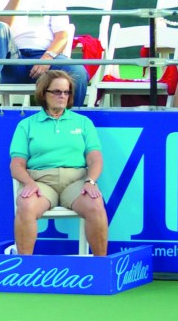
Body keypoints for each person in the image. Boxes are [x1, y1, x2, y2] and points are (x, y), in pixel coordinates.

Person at [9, 70, 108, 256]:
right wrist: (29, 183)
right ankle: (24, 267)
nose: (62, 96)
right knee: (26, 205)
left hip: (76, 182)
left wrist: (91, 181)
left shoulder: (83, 122)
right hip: (41, 182)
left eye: (67, 92)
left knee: (96, 204)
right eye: (56, 92)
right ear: (43, 93)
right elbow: (16, 165)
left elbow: (95, 159)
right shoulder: (27, 125)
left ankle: (100, 266)